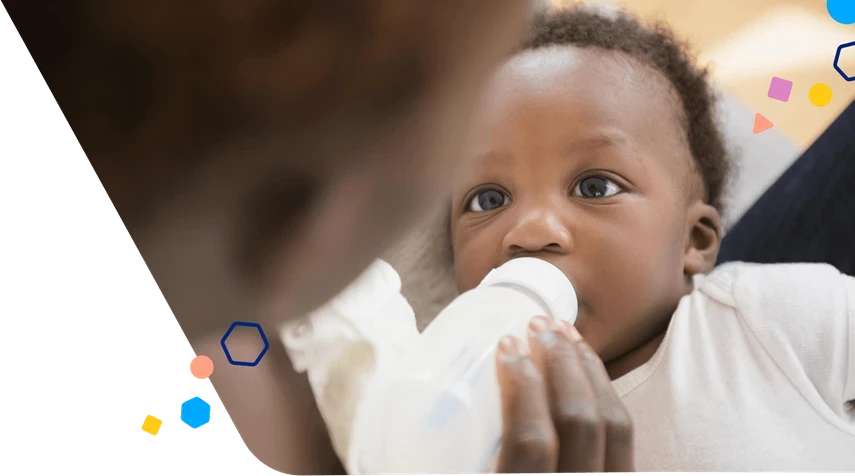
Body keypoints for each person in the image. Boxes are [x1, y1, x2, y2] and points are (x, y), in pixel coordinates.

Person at [2, 0, 542, 472]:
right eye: (485, 196)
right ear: (299, 226)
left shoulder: (241, 361)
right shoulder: (254, 396)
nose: (534, 229)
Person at [442, 4, 854, 471]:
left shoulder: (771, 318)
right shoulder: (452, 417)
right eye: (488, 200)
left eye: (595, 188)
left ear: (693, 241)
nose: (530, 230)